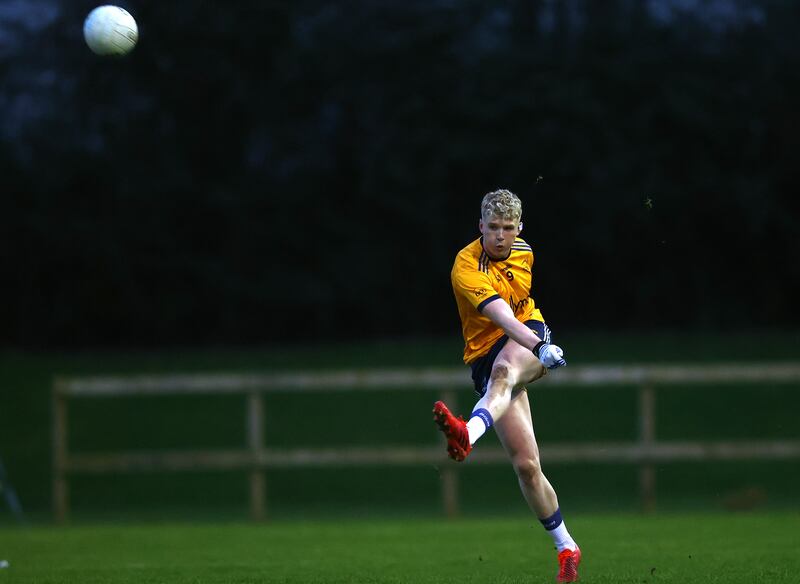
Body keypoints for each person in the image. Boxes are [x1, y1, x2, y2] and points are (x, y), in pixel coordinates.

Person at [433, 188, 581, 583]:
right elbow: (499, 315)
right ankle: (567, 547)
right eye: (493, 227)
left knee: (505, 373)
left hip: (528, 334)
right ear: (480, 226)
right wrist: (542, 348)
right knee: (528, 466)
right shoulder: (466, 266)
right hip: (493, 348)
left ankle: (468, 433)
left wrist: (537, 342)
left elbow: (519, 316)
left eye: (508, 228)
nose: (501, 236)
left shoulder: (524, 249)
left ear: (520, 229)